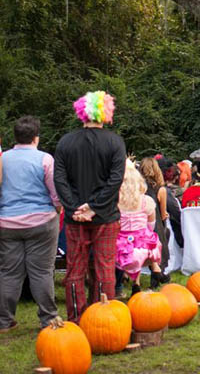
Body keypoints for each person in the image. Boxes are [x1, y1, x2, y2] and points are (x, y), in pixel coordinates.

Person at [53, 91, 126, 322]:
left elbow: (60, 180)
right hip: (105, 216)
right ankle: (104, 318)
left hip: (76, 218)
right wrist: (94, 207)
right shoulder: (115, 142)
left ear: (81, 112)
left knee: (75, 270)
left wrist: (75, 207)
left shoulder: (66, 142)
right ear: (106, 113)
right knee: (104, 267)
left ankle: (76, 318)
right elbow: (115, 180)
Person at [0, 116, 61, 332]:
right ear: (36, 137)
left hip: (7, 222)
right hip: (41, 222)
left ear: (15, 137)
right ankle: (48, 317)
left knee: (9, 272)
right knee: (42, 271)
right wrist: (56, 209)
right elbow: (55, 193)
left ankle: (4, 320)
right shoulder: (45, 159)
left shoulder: (3, 159)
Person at [115, 161, 163, 296]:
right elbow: (151, 225)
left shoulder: (116, 201)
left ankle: (125, 279)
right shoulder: (146, 201)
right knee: (143, 244)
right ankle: (137, 282)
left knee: (130, 249)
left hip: (121, 241)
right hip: (142, 242)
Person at [139, 157, 170, 285]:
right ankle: (157, 271)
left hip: (140, 224)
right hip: (155, 225)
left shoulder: (138, 188)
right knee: (164, 233)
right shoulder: (160, 189)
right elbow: (163, 215)